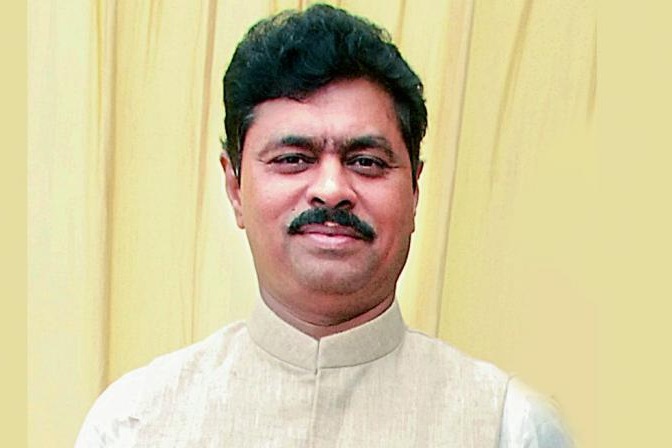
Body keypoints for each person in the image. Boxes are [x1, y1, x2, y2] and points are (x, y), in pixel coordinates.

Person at [76, 4, 573, 447]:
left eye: (366, 162)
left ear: (415, 191)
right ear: (235, 187)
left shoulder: (509, 428)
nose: (332, 189)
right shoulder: (133, 425)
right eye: (294, 158)